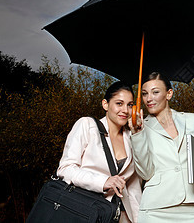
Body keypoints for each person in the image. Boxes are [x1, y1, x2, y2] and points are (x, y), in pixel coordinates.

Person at [129, 72, 194, 222]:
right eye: (145, 94)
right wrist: (137, 134)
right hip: (154, 209)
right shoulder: (140, 128)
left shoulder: (193, 120)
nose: (149, 99)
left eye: (155, 92)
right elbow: (145, 173)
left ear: (169, 94)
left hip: (190, 208)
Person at [57, 81, 142, 223]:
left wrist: (139, 135)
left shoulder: (132, 137)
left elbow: (134, 186)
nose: (125, 110)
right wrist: (103, 181)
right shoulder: (87, 125)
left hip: (122, 215)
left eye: (130, 105)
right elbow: (65, 169)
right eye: (119, 103)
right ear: (105, 104)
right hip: (87, 209)